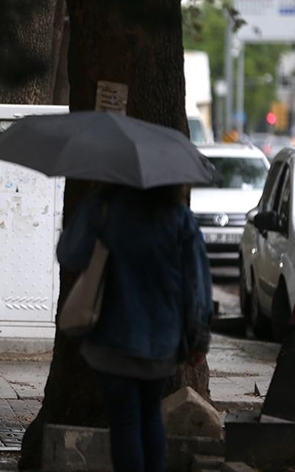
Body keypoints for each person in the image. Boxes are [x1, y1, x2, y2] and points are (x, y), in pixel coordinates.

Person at [56, 184, 213, 472]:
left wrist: (95, 206)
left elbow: (69, 255)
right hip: (162, 341)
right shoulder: (179, 217)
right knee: (151, 413)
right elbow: (197, 284)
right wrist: (198, 336)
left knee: (124, 420)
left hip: (112, 338)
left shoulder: (105, 209)